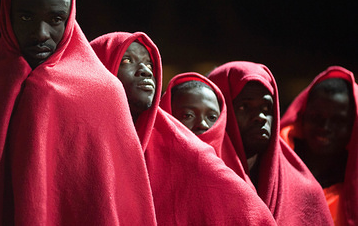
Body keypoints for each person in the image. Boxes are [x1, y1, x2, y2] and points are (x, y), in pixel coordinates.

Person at [0, 0, 157, 225]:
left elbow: (118, 202)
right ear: (7, 14)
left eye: (55, 19)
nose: (40, 33)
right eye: (26, 16)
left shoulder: (105, 93)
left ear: (70, 19)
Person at [91, 32, 278, 225]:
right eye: (128, 60)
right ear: (98, 67)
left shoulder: (183, 147)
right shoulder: (78, 136)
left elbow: (249, 211)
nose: (146, 71)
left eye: (150, 65)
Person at [208, 61, 333, 225]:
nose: (260, 116)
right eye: (244, 107)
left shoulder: (304, 191)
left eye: (267, 107)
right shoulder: (198, 182)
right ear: (219, 111)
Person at [280, 66, 358, 225]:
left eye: (337, 120)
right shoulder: (275, 163)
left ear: (353, 126)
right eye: (316, 117)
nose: (325, 127)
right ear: (302, 116)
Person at [160, 72, 252, 186]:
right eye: (188, 115)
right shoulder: (149, 174)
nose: (203, 124)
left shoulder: (237, 181)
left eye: (212, 117)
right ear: (168, 116)